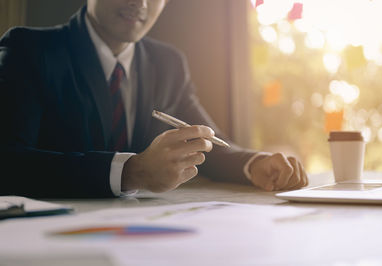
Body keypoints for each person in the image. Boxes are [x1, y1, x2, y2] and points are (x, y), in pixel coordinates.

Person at [0, 0, 308, 198]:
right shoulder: (30, 51)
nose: (140, 3)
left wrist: (255, 164)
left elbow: (207, 143)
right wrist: (133, 171)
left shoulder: (167, 63)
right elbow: (8, 161)